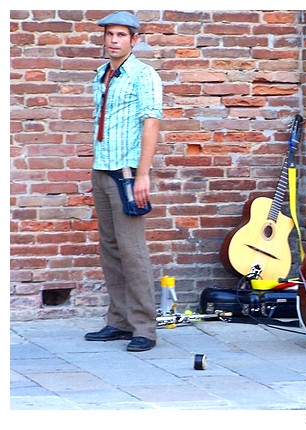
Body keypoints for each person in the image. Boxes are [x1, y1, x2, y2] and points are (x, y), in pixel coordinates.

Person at [84, 11, 163, 352]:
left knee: (132, 252)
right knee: (111, 249)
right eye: (109, 34)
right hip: (102, 168)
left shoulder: (144, 75)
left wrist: (143, 173)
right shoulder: (102, 73)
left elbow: (151, 123)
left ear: (134, 39)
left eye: (120, 35)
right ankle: (118, 321)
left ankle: (144, 327)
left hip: (128, 174)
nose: (113, 40)